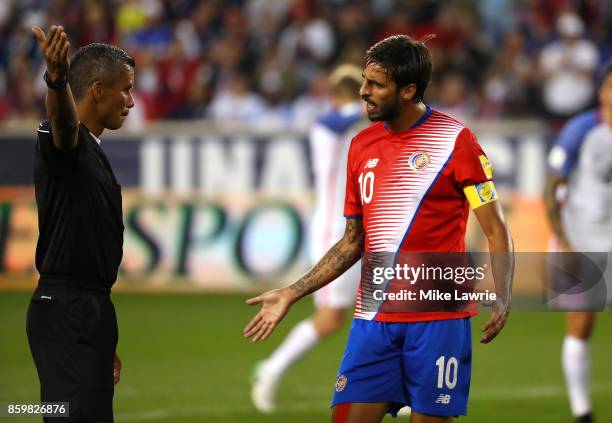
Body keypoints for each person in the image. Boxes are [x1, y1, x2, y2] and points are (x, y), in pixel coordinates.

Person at [244, 34, 513, 423]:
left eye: (375, 84)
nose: (363, 91)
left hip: (438, 318)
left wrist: (502, 293)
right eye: (365, 81)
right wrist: (292, 292)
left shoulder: (455, 139)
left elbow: (495, 228)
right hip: (374, 318)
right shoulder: (361, 146)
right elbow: (352, 241)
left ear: (407, 91)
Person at [27, 25, 134, 423]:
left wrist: (102, 336)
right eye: (125, 89)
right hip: (67, 308)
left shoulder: (94, 152)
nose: (132, 101)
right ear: (96, 90)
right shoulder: (66, 144)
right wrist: (55, 80)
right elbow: (64, 126)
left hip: (87, 310)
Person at [251, 64, 365, 413]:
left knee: (383, 310)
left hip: (364, 231)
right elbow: (337, 121)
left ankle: (397, 388)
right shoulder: (327, 125)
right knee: (331, 318)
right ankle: (271, 369)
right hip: (336, 232)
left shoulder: (364, 127)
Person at [544, 61, 612, 423]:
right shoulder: (581, 129)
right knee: (582, 321)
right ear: (602, 92)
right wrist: (564, 240)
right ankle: (581, 411)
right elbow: (551, 185)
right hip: (582, 235)